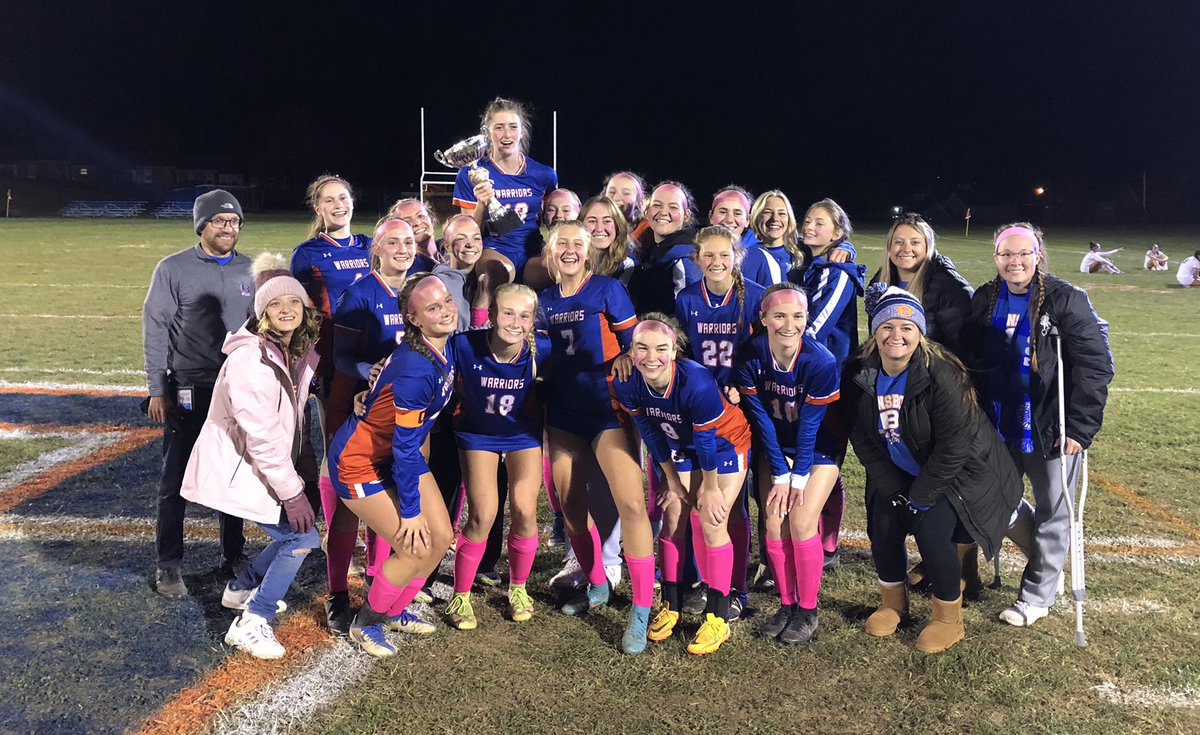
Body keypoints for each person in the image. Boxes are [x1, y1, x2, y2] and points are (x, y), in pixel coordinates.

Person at [839, 286, 1022, 653]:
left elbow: (955, 447)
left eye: (907, 328)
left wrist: (920, 497)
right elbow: (859, 435)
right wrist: (893, 487)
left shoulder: (942, 373)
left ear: (919, 333)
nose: (896, 335)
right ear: (875, 331)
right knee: (883, 526)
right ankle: (894, 605)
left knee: (932, 532)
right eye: (887, 326)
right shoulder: (858, 371)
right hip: (899, 470)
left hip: (951, 474)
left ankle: (948, 619)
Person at [966, 223, 1114, 627]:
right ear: (996, 257)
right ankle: (1047, 563)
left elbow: (1095, 366)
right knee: (994, 500)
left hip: (1050, 422)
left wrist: (1080, 428)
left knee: (1054, 509)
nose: (1014, 261)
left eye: (1023, 253)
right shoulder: (986, 297)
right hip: (998, 420)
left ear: (1038, 255)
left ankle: (1036, 597)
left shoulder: (1066, 299)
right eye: (1005, 254)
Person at [181, 254, 321, 658]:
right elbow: (261, 436)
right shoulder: (250, 359)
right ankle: (253, 620)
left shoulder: (290, 350)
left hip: (261, 465)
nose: (286, 309)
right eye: (275, 304)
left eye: (293, 302)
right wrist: (292, 492)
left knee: (296, 535)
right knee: (301, 538)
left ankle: (241, 589)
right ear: (262, 314)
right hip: (244, 467)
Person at [538, 220, 656, 654]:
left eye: (578, 244)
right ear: (551, 253)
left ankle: (640, 610)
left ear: (589, 252)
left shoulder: (607, 289)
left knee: (632, 505)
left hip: (607, 410)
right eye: (561, 244)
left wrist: (626, 354)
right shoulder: (544, 301)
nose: (570, 251)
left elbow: (635, 342)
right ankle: (597, 583)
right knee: (571, 509)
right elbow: (538, 356)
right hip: (563, 414)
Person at [327, 273, 459, 656]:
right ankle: (365, 623)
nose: (446, 311)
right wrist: (412, 512)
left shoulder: (441, 345)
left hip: (394, 454)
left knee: (441, 539)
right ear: (414, 319)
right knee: (415, 547)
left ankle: (393, 610)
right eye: (433, 308)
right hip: (360, 463)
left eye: (447, 301)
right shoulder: (417, 369)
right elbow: (403, 448)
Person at [322, 218, 436, 636]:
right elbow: (340, 356)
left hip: (404, 415)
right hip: (359, 411)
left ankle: (379, 581)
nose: (403, 249)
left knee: (394, 500)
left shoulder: (422, 290)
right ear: (377, 249)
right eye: (393, 242)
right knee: (348, 509)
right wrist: (369, 370)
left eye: (409, 242)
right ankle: (336, 593)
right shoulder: (361, 294)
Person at [614, 315, 752, 656]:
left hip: (724, 445)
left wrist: (711, 488)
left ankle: (717, 617)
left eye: (661, 349)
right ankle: (671, 605)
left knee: (712, 520)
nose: (651, 357)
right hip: (680, 448)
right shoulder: (628, 383)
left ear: (674, 351)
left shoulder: (697, 382)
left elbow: (706, 441)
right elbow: (650, 433)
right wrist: (672, 481)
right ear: (631, 352)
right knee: (672, 518)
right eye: (642, 348)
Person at [142, 189, 252, 598]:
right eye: (220, 221)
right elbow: (155, 328)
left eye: (234, 221)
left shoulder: (252, 269)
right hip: (190, 387)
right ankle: (169, 564)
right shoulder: (173, 269)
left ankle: (233, 555)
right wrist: (158, 389)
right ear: (201, 225)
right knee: (176, 480)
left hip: (237, 388)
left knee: (234, 475)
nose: (228, 228)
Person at [870, 213, 979, 591]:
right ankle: (930, 561)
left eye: (914, 242)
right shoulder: (881, 280)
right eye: (898, 242)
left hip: (935, 394)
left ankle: (962, 567)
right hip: (896, 394)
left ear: (928, 246)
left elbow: (964, 346)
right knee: (901, 470)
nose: (906, 249)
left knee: (944, 479)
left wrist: (946, 389)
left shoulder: (946, 284)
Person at [733, 283, 841, 645]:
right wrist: (779, 472)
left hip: (819, 446)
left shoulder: (820, 361)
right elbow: (761, 418)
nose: (789, 324)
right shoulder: (749, 355)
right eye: (779, 316)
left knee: (801, 520)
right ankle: (787, 603)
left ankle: (808, 610)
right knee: (774, 521)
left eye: (797, 316)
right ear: (763, 318)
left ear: (807, 317)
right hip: (776, 445)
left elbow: (811, 426)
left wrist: (796, 478)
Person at [444, 284, 550, 629]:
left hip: (522, 436)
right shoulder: (463, 345)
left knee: (524, 508)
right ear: (491, 315)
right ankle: (460, 595)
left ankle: (518, 588)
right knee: (483, 514)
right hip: (478, 435)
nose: (515, 322)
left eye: (524, 315)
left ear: (533, 320)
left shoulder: (542, 350)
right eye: (508, 313)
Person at [674, 225, 765, 619]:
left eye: (724, 255)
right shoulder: (686, 298)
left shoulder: (754, 297)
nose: (716, 262)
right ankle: (707, 582)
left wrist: (741, 385)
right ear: (696, 259)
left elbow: (761, 352)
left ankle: (736, 589)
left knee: (734, 504)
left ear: (736, 257)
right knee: (700, 502)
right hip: (700, 408)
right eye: (708, 255)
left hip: (739, 408)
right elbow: (684, 351)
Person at [790, 198, 865, 571]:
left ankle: (828, 544)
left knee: (825, 458)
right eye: (807, 220)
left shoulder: (838, 272)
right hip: (805, 377)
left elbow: (816, 326)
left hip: (828, 382)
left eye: (820, 222)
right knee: (809, 454)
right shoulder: (811, 266)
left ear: (838, 232)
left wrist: (785, 359)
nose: (810, 226)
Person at [453, 97, 557, 304]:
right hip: (496, 249)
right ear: (487, 133)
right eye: (499, 127)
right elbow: (469, 232)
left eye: (513, 127)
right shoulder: (471, 174)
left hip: (533, 251)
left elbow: (552, 217)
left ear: (522, 131)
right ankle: (478, 324)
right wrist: (481, 204)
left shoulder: (544, 174)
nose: (507, 134)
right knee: (490, 277)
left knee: (564, 271)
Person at [625, 182, 702, 315]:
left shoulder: (686, 258)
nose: (663, 212)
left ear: (686, 216)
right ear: (647, 212)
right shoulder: (649, 251)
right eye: (657, 205)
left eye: (673, 207)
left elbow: (690, 315)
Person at [743, 190, 805, 287]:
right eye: (767, 212)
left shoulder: (804, 251)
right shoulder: (747, 256)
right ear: (757, 217)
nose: (775, 219)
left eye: (782, 213)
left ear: (789, 219)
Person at [387, 198, 441, 268]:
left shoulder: (447, 249)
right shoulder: (408, 267)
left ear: (431, 219)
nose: (417, 223)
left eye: (420, 216)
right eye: (407, 221)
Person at [708, 186, 757, 250]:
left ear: (747, 220)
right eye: (723, 212)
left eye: (737, 214)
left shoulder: (759, 253)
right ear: (711, 216)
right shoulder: (698, 251)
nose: (729, 220)